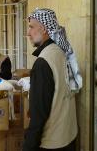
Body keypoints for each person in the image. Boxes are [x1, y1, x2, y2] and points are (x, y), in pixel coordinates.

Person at [23, 8, 82, 151]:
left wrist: (28, 146)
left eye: (31, 27)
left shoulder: (43, 62)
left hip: (52, 142)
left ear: (43, 29)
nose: (28, 33)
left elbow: (39, 114)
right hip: (69, 136)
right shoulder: (61, 51)